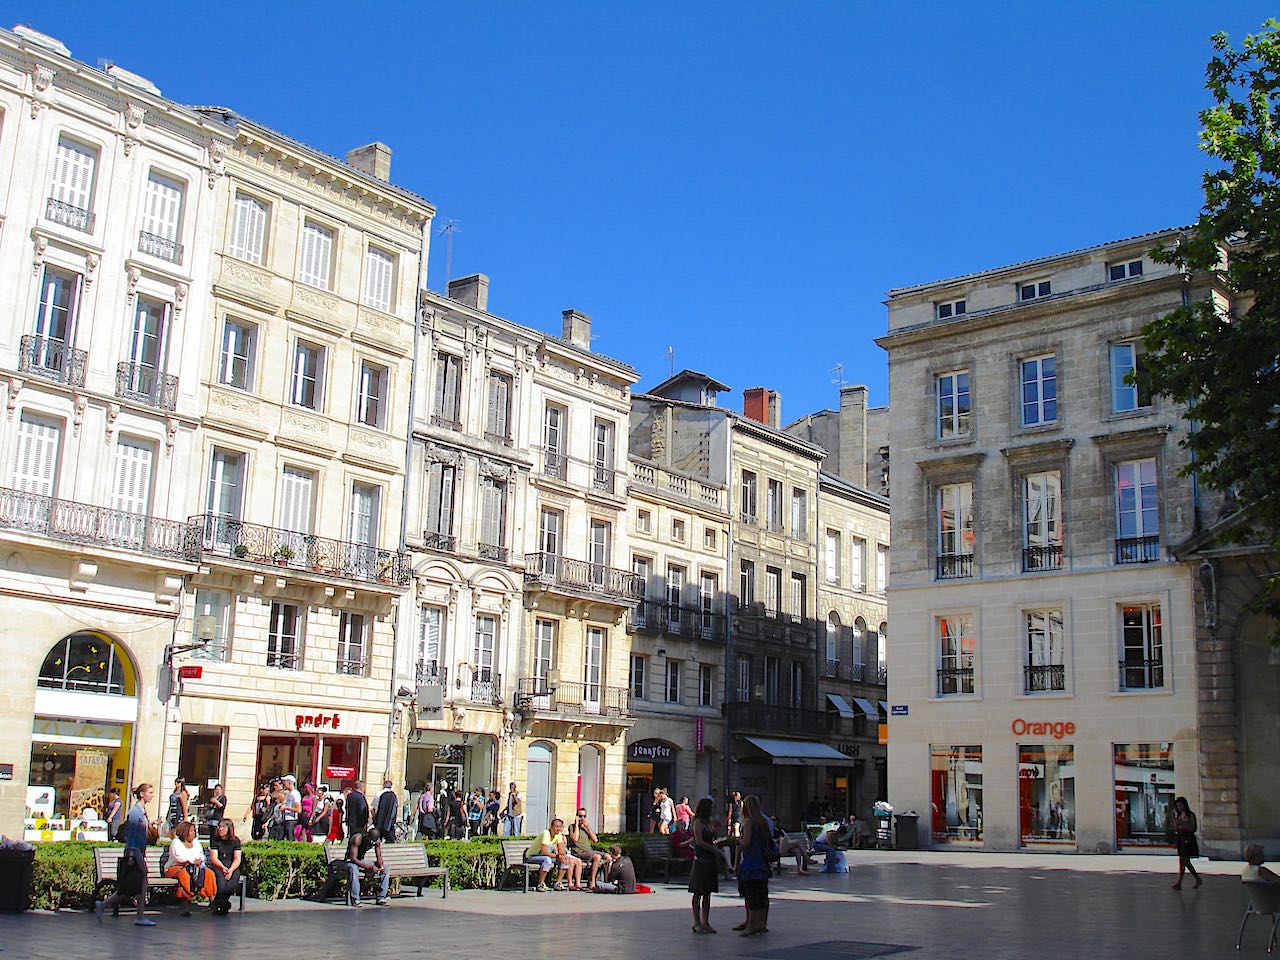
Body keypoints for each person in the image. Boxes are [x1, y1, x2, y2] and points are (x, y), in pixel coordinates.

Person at [96, 782, 159, 926]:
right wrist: (131, 855)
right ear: (142, 794)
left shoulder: (142, 811)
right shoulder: (135, 812)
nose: (152, 795)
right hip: (135, 851)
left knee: (132, 886)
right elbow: (130, 835)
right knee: (140, 881)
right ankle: (139, 916)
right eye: (150, 792)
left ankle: (105, 905)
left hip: (139, 850)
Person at [736, 795, 772, 936]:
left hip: (751, 862)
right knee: (762, 895)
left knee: (752, 896)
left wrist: (735, 841)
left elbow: (745, 842)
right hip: (762, 862)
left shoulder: (749, 822)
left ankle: (751, 926)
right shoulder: (763, 821)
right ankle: (761, 924)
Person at [164, 821, 218, 913]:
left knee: (209, 873)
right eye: (191, 831)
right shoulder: (176, 842)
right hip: (175, 867)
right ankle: (187, 901)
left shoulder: (196, 842)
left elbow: (201, 855)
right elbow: (179, 857)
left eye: (194, 831)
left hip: (194, 867)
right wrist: (193, 861)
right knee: (184, 875)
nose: (194, 833)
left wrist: (199, 860)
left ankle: (212, 902)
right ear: (184, 832)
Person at [688, 797, 720, 933]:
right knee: (698, 892)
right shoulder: (698, 823)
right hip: (701, 859)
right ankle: (697, 922)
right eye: (712, 807)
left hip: (710, 859)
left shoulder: (708, 822)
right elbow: (699, 842)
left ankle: (705, 921)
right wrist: (714, 849)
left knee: (707, 892)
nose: (713, 810)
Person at [207, 818, 243, 916]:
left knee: (232, 883)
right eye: (219, 827)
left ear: (229, 829)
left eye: (222, 827)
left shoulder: (235, 841)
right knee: (221, 883)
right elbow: (214, 858)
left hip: (232, 866)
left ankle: (219, 903)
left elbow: (237, 858)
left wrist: (231, 869)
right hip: (219, 864)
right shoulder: (215, 840)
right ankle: (225, 905)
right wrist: (222, 867)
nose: (220, 829)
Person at [568, 807, 608, 889]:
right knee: (597, 856)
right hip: (579, 852)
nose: (582, 818)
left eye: (584, 816)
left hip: (589, 852)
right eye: (580, 816)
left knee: (608, 857)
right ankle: (592, 881)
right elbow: (575, 839)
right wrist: (576, 824)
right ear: (576, 816)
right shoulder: (572, 827)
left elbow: (595, 840)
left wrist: (587, 828)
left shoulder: (586, 827)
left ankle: (605, 880)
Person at [526, 817, 569, 892]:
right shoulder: (546, 833)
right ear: (551, 827)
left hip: (543, 856)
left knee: (565, 860)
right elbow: (544, 851)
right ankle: (541, 884)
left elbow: (561, 851)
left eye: (560, 827)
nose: (558, 829)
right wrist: (558, 856)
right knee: (547, 860)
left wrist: (562, 856)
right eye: (556, 826)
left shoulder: (558, 835)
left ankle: (558, 883)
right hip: (533, 856)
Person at [1171, 796, 1202, 890]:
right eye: (1177, 806)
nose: (1179, 807)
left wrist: (1182, 823)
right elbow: (1176, 828)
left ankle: (1179, 882)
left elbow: (1194, 828)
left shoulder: (1190, 815)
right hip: (1181, 838)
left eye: (1180, 805)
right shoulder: (1179, 815)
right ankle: (1197, 879)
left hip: (1188, 839)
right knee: (1186, 862)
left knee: (1183, 861)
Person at [725, 790, 743, 871]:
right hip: (735, 817)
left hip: (737, 818)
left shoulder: (740, 803)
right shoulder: (732, 804)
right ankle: (735, 838)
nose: (739, 796)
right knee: (735, 829)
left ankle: (736, 838)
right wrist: (728, 821)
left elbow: (741, 811)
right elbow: (730, 812)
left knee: (736, 828)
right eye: (738, 795)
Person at [280, 774, 302, 839]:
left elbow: (298, 809)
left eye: (285, 783)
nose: (284, 785)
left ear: (289, 783)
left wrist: (286, 808)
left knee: (290, 837)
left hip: (291, 819)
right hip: (286, 818)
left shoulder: (295, 794)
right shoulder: (289, 793)